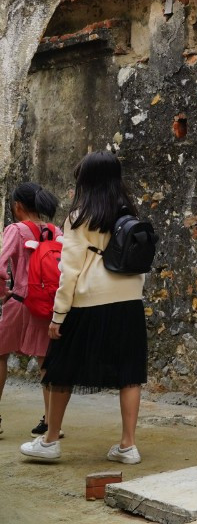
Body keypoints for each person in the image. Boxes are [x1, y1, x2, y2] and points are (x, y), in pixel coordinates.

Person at [20, 153, 147, 464]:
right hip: (129, 302)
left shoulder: (80, 216)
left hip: (90, 301)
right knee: (130, 374)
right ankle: (128, 446)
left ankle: (50, 441)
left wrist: (58, 315)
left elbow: (70, 271)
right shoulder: (129, 212)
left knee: (59, 367)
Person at [1, 183, 61, 440]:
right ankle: (51, 421)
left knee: (0, 354)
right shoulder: (56, 230)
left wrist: (4, 293)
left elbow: (1, 266)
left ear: (18, 206)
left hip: (19, 300)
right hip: (46, 304)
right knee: (45, 361)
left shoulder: (16, 230)